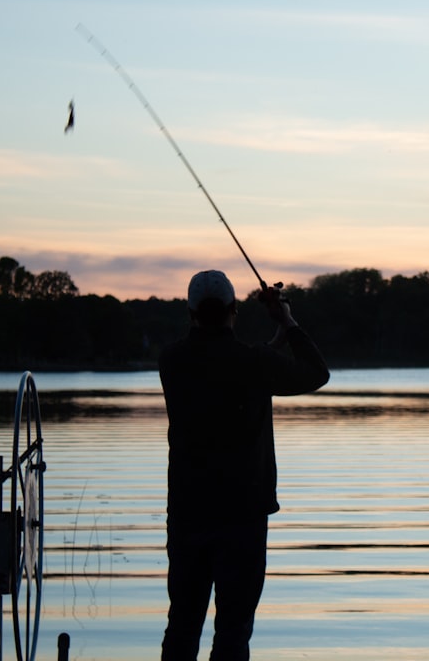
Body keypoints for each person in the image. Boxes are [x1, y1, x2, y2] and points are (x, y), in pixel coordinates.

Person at [158, 270, 329, 661]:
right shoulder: (255, 364)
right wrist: (287, 321)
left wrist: (273, 343)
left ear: (190, 312)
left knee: (182, 624)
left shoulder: (171, 360)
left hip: (188, 513)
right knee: (233, 631)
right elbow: (316, 373)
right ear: (233, 309)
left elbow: (221, 367)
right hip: (243, 516)